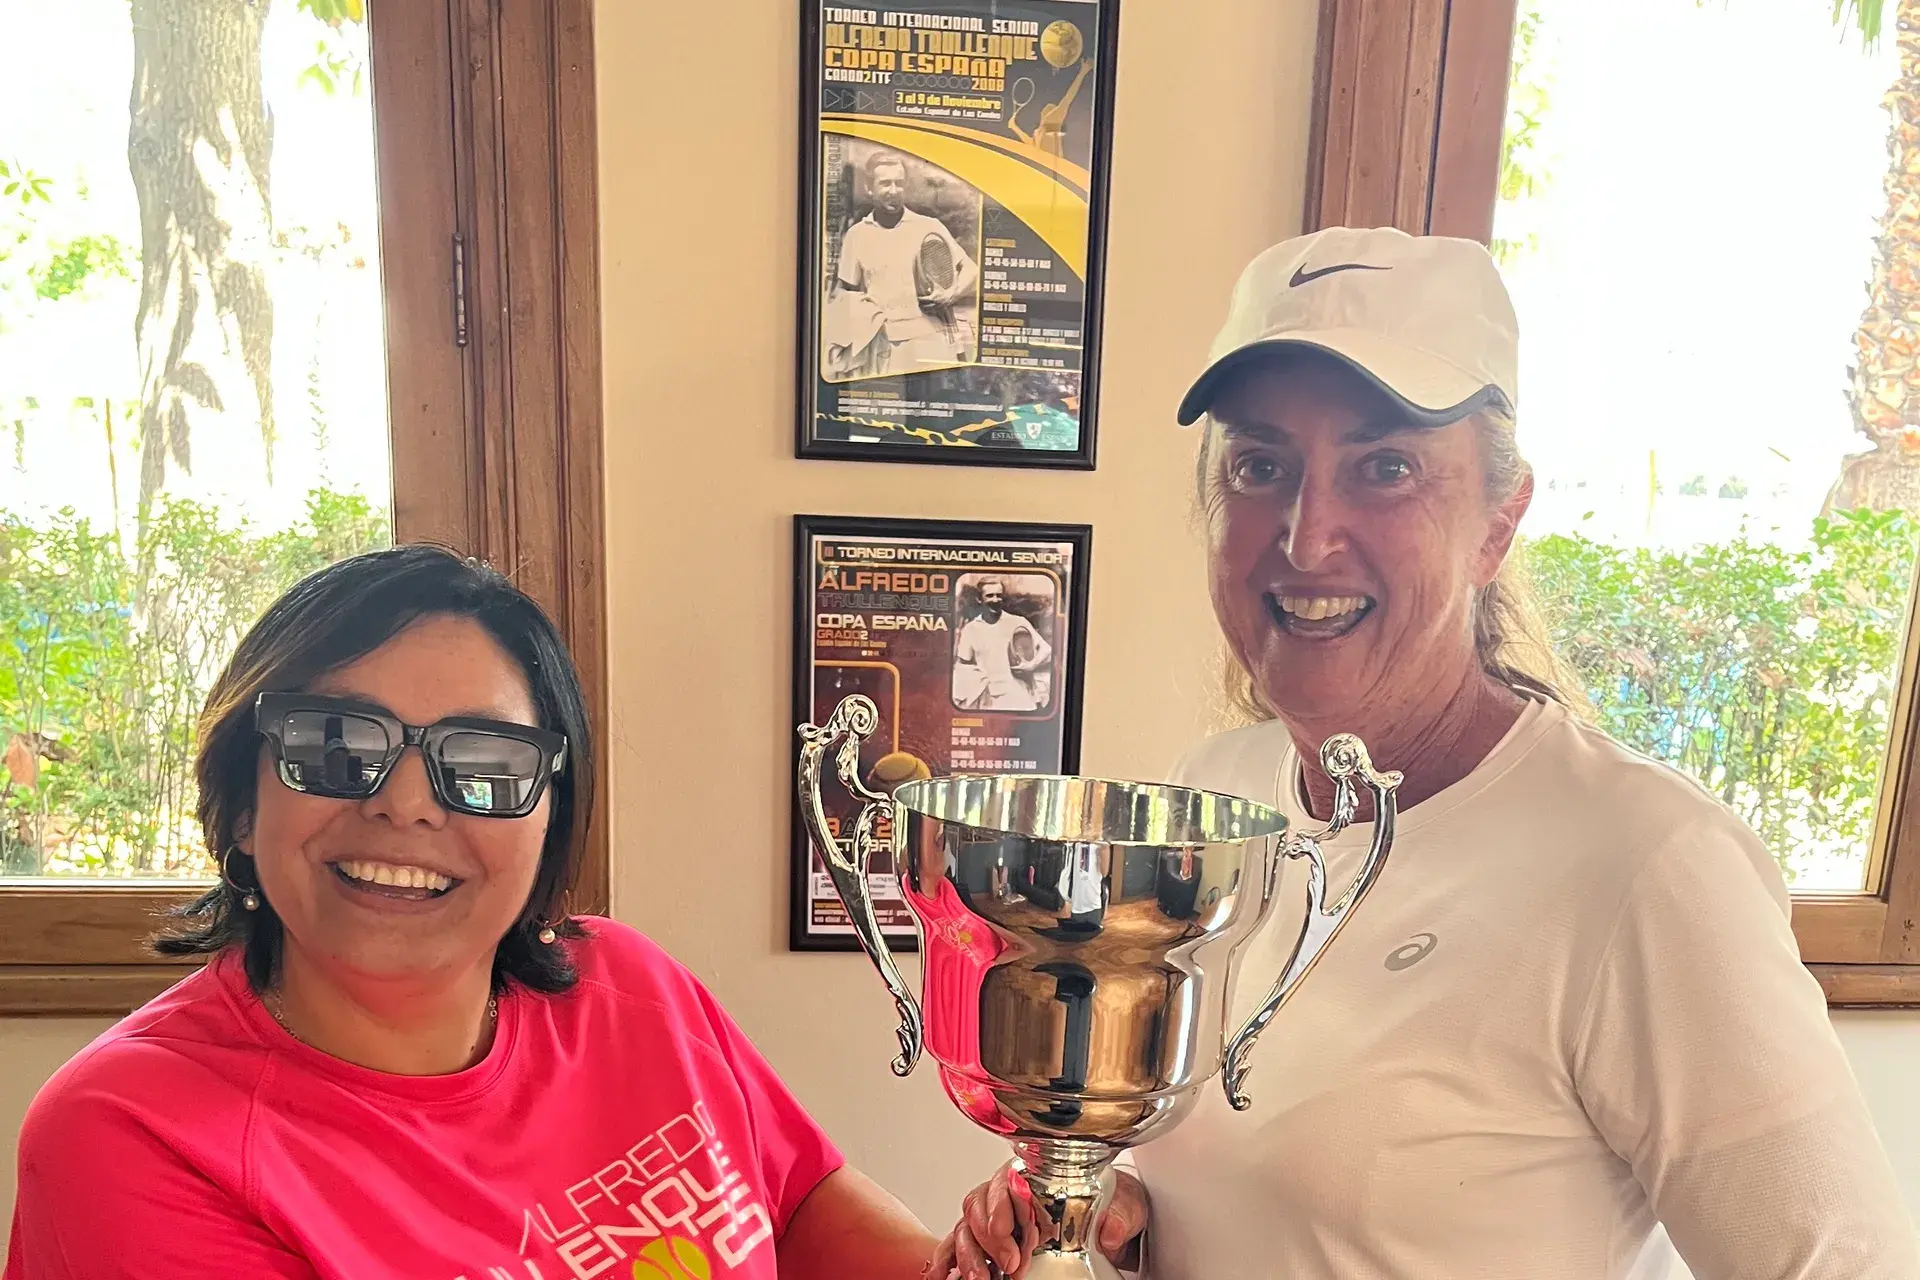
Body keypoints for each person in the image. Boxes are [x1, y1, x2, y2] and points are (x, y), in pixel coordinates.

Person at [933, 226, 1920, 1277]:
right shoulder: (1212, 793)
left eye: (1386, 466)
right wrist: (1113, 1211)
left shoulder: (1645, 865)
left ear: (1499, 520)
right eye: (1262, 464)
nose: (1308, 536)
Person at [5, 545, 936, 1280]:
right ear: (245, 806)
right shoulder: (132, 1132)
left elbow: (803, 1211)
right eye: (334, 744)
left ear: (549, 816)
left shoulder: (631, 984)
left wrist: (1032, 1240)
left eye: (483, 762)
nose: (406, 803)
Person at [828, 151, 978, 376]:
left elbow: (971, 270)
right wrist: (863, 314)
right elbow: (844, 290)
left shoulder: (929, 226)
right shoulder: (856, 235)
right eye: (885, 184)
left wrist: (951, 293)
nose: (893, 191)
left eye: (899, 184)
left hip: (931, 342)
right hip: (883, 345)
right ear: (870, 189)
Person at [952, 579, 1052, 712]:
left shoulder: (1018, 622)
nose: (995, 600)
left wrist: (1031, 666)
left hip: (1018, 695)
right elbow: (963, 664)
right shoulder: (971, 629)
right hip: (988, 699)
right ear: (979, 599)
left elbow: (1047, 651)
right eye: (990, 595)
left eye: (999, 595)